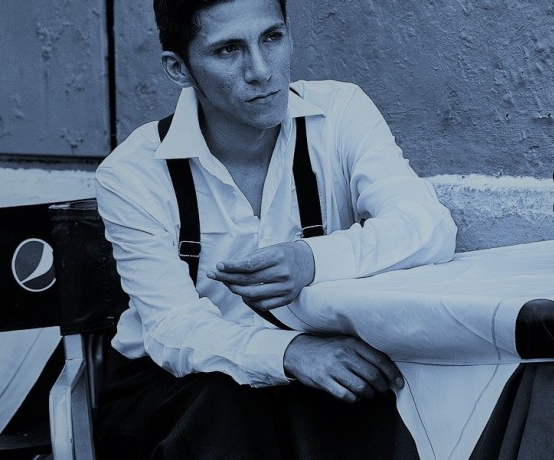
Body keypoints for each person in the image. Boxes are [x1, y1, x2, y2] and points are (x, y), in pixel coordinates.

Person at [93, 0, 457, 457]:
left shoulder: (339, 113)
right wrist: (288, 352)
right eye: (228, 50)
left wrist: (311, 260)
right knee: (228, 407)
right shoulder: (133, 173)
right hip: (174, 393)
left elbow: (426, 225)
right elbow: (172, 327)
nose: (261, 71)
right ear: (178, 69)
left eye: (272, 38)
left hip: (324, 373)